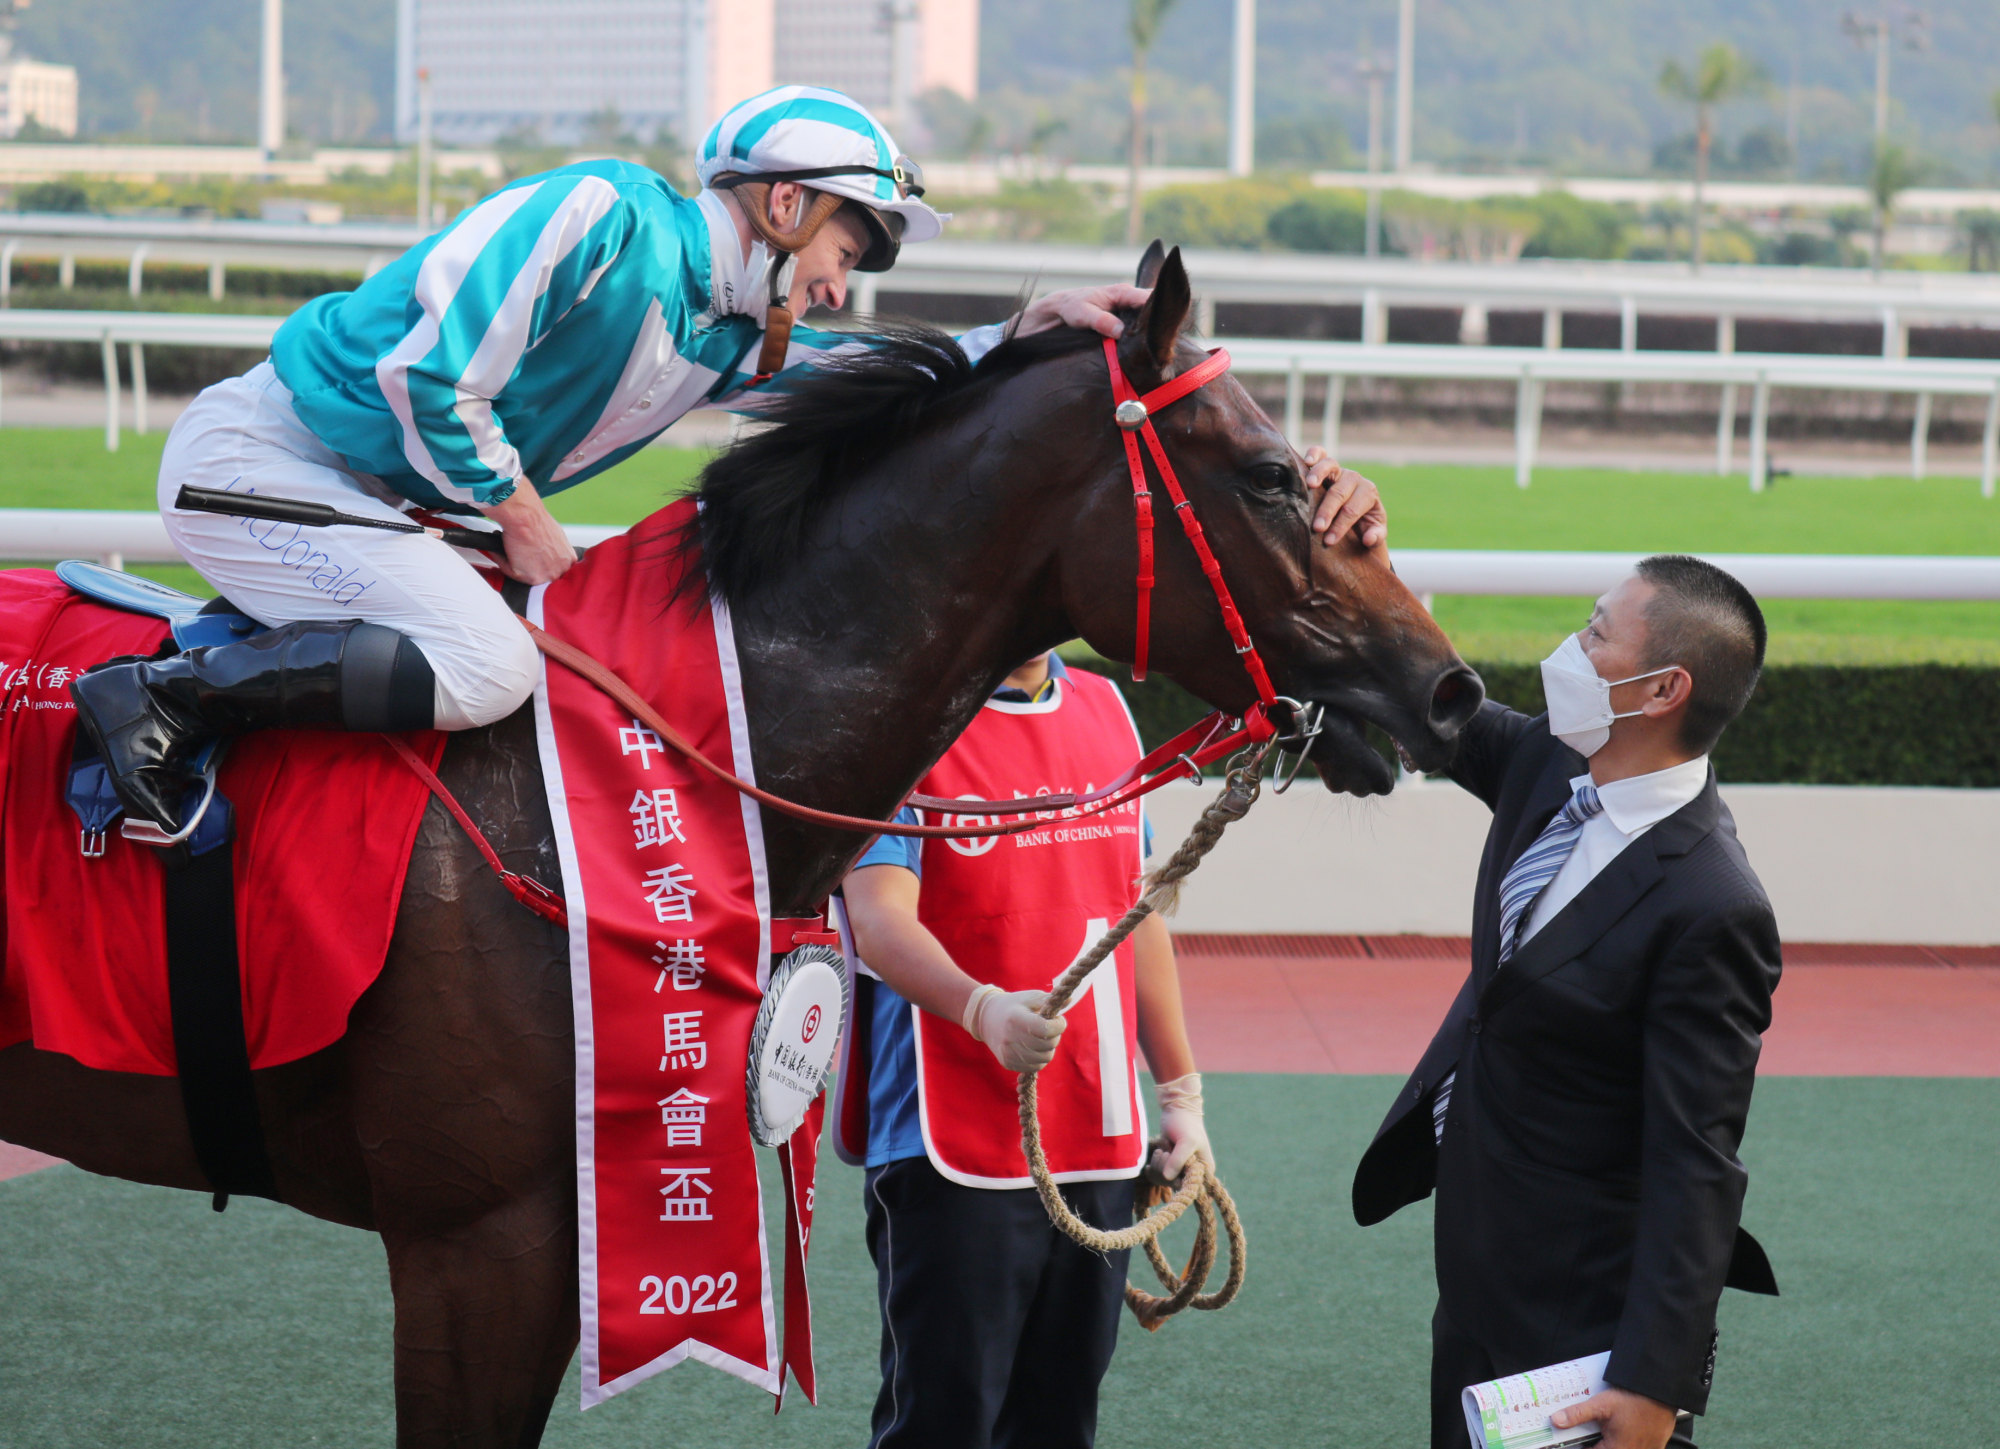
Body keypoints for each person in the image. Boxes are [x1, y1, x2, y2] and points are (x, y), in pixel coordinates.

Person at [66, 85, 1167, 833]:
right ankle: (164, 697)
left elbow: (855, 374)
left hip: (373, 505)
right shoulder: (601, 213)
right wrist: (523, 514)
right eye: (846, 248)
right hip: (264, 468)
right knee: (491, 667)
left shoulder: (717, 335)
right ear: (785, 204)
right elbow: (425, 379)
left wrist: (1017, 342)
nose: (841, 282)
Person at [1351, 555, 1783, 1449]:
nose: (1571, 649)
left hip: (1581, 1320)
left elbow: (1695, 1161)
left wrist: (1652, 1383)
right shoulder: (1554, 762)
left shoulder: (1712, 904)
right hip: (1477, 1272)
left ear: (1663, 688)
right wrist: (1360, 552)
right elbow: (1430, 696)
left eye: (1595, 631)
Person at [834, 649, 1206, 1449]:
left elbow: (1134, 911)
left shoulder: (1107, 706)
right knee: (942, 1423)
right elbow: (879, 918)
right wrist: (981, 1007)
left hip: (1098, 1136)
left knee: (1060, 1419)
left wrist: (1181, 1095)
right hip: (947, 1139)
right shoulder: (899, 714)